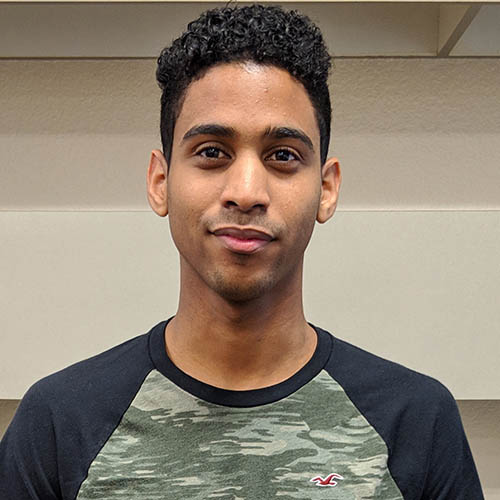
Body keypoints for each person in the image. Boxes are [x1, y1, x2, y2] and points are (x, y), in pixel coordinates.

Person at [0, 4, 483, 499]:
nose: (247, 191)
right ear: (161, 182)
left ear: (327, 188)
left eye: (283, 156)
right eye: (212, 151)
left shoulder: (416, 420)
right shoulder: (59, 423)